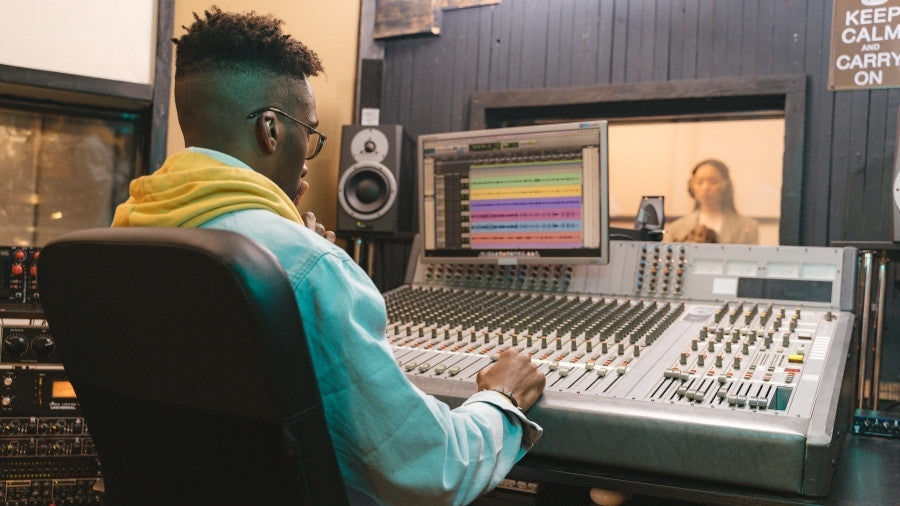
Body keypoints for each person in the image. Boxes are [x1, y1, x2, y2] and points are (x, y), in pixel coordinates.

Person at [111, 7, 546, 505]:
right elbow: (433, 472)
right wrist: (502, 398)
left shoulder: (129, 231)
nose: (310, 159)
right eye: (310, 134)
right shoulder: (303, 267)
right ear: (270, 131)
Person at [666, 159, 759, 244]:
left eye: (713, 181)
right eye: (699, 182)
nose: (705, 188)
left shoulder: (748, 228)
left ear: (725, 186)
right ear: (692, 187)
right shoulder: (676, 228)